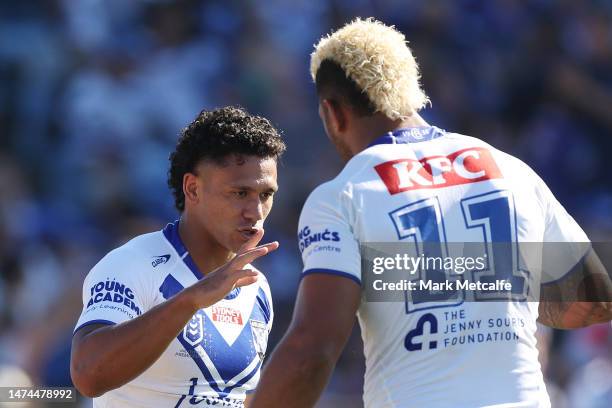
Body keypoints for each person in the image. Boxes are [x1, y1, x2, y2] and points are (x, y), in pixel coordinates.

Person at [251, 18, 612, 408]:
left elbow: (312, 351)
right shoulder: (511, 169)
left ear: (332, 113)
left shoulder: (342, 195)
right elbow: (593, 299)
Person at [71, 106, 286, 407]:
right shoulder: (132, 264)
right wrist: (190, 300)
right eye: (239, 193)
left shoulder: (257, 287)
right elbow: (87, 374)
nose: (255, 212)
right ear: (193, 188)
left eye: (265, 195)